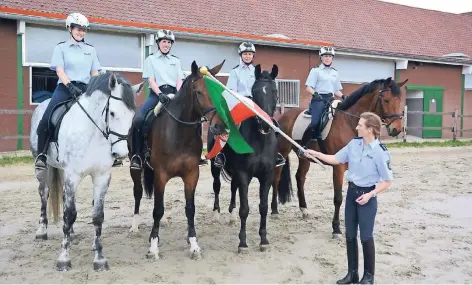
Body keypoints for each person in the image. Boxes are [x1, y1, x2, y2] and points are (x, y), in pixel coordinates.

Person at [303, 112, 393, 284]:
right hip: (352, 194)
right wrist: (315, 154)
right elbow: (336, 159)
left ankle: (368, 277)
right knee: (350, 235)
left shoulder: (380, 152)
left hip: (367, 197)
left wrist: (371, 194)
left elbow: (387, 180)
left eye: (360, 125)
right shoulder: (353, 144)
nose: (357, 127)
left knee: (366, 236)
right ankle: (352, 273)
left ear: (370, 129)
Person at [34, 12, 101, 172]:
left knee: (103, 116)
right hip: (65, 88)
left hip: (86, 89)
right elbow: (59, 70)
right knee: (47, 118)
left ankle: (106, 153)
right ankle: (42, 155)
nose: (81, 32)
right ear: (69, 29)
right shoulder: (61, 48)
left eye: (83, 29)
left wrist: (96, 87)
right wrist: (70, 86)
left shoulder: (90, 50)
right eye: (78, 28)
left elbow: (95, 72)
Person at [213, 41, 286, 168]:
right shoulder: (235, 72)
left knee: (273, 124)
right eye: (245, 54)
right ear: (241, 55)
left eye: (250, 54)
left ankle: (276, 153)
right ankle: (222, 154)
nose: (248, 56)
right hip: (239, 103)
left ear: (253, 56)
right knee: (228, 125)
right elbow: (231, 91)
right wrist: (240, 100)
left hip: (255, 105)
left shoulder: (257, 71)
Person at [130, 29, 187, 170]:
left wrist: (179, 94)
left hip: (174, 94)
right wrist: (160, 93)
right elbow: (150, 79)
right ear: (158, 43)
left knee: (193, 117)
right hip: (157, 95)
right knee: (139, 120)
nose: (166, 44)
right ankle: (137, 155)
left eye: (168, 42)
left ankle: (191, 153)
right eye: (163, 42)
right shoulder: (151, 60)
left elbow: (179, 79)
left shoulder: (176, 60)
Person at [297, 46, 346, 158]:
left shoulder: (335, 73)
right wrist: (315, 94)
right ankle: (303, 146)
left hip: (331, 99)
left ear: (332, 58)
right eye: (325, 56)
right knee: (315, 122)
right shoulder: (316, 71)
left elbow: (336, 90)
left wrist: (343, 96)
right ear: (321, 57)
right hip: (318, 99)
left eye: (329, 56)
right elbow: (308, 87)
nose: (327, 58)